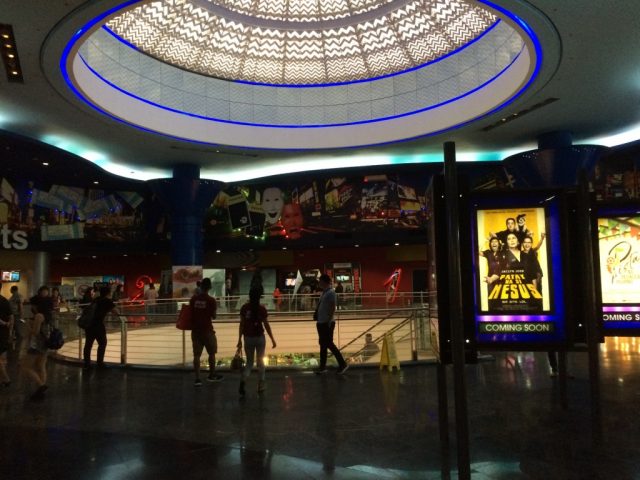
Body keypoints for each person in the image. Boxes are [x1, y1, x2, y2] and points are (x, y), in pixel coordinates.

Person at [237, 287, 276, 396]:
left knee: (249, 363)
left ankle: (243, 380)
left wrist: (239, 340)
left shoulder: (244, 308)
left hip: (248, 338)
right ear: (259, 297)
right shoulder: (262, 309)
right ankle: (261, 385)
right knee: (261, 362)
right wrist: (272, 339)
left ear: (249, 296)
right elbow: (266, 325)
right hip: (259, 338)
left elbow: (241, 325)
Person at [189, 277, 222, 386]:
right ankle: (212, 375)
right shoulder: (211, 300)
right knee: (211, 353)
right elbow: (214, 316)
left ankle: (197, 379)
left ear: (201, 286)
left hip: (195, 330)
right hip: (207, 330)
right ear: (210, 287)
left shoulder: (193, 299)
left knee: (196, 355)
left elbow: (190, 312)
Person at [314, 274, 348, 375]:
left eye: (320, 281)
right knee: (323, 345)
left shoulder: (331, 293)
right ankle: (322, 367)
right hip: (321, 322)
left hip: (326, 323)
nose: (319, 283)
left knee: (329, 344)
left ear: (324, 282)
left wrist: (329, 321)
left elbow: (333, 307)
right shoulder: (324, 292)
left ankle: (342, 364)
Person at [23, 286, 53, 401]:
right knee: (41, 366)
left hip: (37, 345)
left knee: (25, 367)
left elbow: (35, 332)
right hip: (45, 344)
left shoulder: (39, 316)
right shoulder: (48, 315)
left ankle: (41, 386)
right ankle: (41, 392)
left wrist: (28, 325)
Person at [83, 286, 118, 370]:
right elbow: (116, 312)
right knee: (102, 343)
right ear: (108, 293)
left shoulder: (96, 299)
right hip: (98, 325)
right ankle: (100, 363)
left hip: (89, 325)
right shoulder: (107, 301)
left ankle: (87, 364)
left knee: (88, 345)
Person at [0, 284, 13, 387]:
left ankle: (6, 378)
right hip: (4, 333)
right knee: (2, 357)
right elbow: (11, 316)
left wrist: (4, 323)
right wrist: (10, 330)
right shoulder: (5, 300)